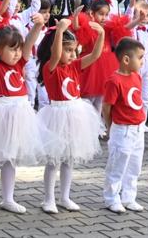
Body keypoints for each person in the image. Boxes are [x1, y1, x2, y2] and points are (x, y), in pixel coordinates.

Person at [0, 13, 43, 216]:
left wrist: (38, 26)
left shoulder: (20, 64)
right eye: (11, 50)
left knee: (10, 158)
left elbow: (29, 44)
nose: (16, 54)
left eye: (18, 49)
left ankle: (8, 198)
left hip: (19, 115)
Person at [35, 16, 104, 213]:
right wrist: (58, 32)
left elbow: (95, 56)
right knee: (54, 160)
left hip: (75, 115)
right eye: (68, 50)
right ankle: (49, 199)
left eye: (74, 50)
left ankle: (65, 197)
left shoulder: (74, 67)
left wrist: (102, 34)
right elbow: (56, 55)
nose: (72, 54)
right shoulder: (51, 68)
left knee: (69, 159)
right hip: (57, 116)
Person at [100, 37, 148, 214]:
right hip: (123, 129)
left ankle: (129, 197)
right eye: (140, 57)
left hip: (138, 128)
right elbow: (107, 106)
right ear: (126, 59)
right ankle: (112, 198)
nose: (143, 61)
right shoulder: (114, 81)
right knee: (117, 166)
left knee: (134, 166)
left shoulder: (136, 76)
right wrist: (111, 127)